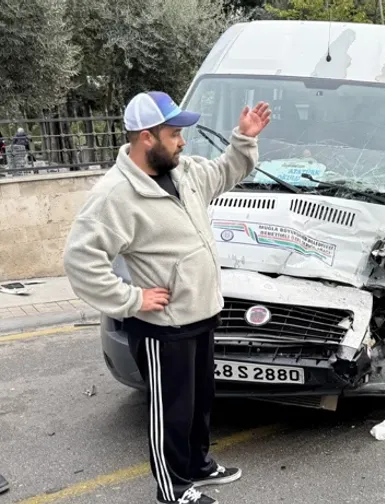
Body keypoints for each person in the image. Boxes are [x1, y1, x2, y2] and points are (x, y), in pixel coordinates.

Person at [63, 91, 272, 504]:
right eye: (175, 133)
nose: (183, 141)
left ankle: (197, 465)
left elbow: (226, 172)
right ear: (146, 137)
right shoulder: (115, 195)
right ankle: (173, 488)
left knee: (198, 403)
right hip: (161, 327)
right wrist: (131, 300)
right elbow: (80, 260)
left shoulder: (184, 171)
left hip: (200, 313)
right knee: (170, 413)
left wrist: (244, 139)